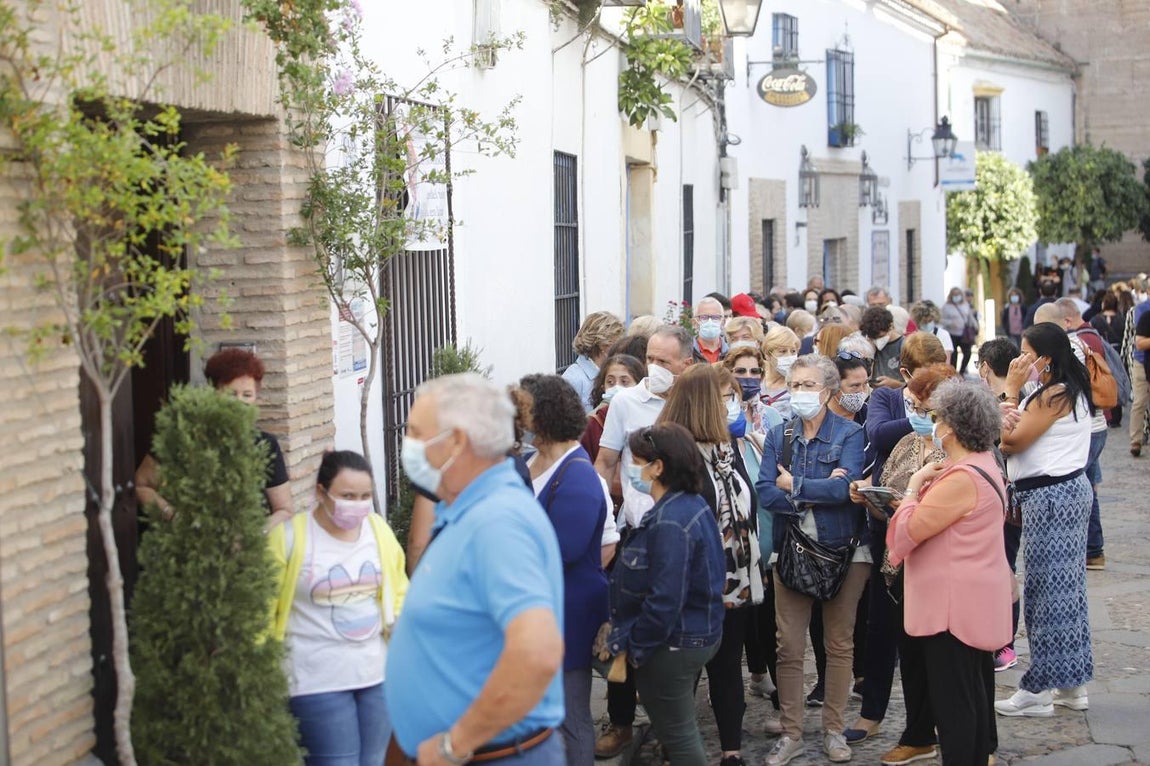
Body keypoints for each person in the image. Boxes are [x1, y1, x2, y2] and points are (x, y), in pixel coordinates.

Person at [387, 374, 565, 765]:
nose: (408, 444)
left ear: (456, 441)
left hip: (491, 755)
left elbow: (537, 652)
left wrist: (454, 745)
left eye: (415, 432)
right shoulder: (468, 510)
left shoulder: (497, 522)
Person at [886, 380, 1012, 766]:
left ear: (952, 428)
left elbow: (905, 533)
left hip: (951, 609)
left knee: (955, 706)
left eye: (937, 418)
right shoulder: (983, 463)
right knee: (971, 695)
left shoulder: (961, 477)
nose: (933, 424)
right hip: (971, 600)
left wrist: (912, 488)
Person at [756, 355, 870, 766]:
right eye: (795, 385)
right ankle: (791, 733)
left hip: (844, 551)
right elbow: (765, 490)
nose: (800, 392)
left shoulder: (850, 433)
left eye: (808, 385)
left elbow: (847, 490)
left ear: (828, 390)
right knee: (788, 645)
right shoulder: (779, 434)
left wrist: (796, 484)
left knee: (839, 642)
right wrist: (818, 488)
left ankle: (833, 729)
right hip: (792, 548)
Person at [267, 450, 408, 766]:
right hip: (314, 679)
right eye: (347, 496)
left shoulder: (378, 531)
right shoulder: (288, 538)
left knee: (373, 761)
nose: (357, 504)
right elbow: (262, 609)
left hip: (376, 675)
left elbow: (398, 588)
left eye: (364, 496)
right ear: (321, 492)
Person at [592, 326, 694, 757]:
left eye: (664, 361)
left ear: (686, 364)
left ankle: (675, 730)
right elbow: (605, 461)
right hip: (634, 532)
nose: (654, 367)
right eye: (650, 358)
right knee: (622, 627)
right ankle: (620, 722)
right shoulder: (626, 403)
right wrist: (601, 520)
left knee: (677, 632)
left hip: (680, 533)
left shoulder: (692, 401)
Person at [846, 364, 956, 755]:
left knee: (931, 649)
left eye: (929, 410)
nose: (922, 417)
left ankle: (936, 728)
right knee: (883, 633)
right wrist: (869, 496)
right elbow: (886, 485)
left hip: (934, 562)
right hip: (893, 556)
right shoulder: (907, 442)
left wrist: (907, 503)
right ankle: (881, 717)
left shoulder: (956, 451)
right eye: (917, 408)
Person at [599, 423, 725, 766]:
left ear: (657, 467)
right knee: (679, 732)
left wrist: (636, 648)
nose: (630, 468)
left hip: (673, 643)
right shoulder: (688, 504)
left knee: (679, 738)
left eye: (636, 461)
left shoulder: (671, 520)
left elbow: (665, 599)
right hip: (689, 635)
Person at [658, 365, 763, 766]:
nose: (733, 406)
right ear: (704, 403)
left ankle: (731, 750)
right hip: (692, 582)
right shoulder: (674, 455)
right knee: (685, 670)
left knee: (727, 666)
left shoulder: (728, 447)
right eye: (726, 398)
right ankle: (676, 747)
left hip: (734, 578)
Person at [994, 323, 1094, 718]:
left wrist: (1011, 390)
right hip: (1057, 494)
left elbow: (1011, 440)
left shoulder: (1055, 393)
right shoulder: (1061, 390)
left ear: (1046, 359)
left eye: (1026, 353)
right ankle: (1071, 684)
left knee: (1046, 593)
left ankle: (1038, 689)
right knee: (1064, 591)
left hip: (1053, 497)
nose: (1020, 360)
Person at [519, 375, 611, 766]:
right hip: (537, 611)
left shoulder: (578, 475)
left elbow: (564, 550)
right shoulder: (530, 461)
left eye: (523, 411)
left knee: (570, 715)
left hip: (566, 613)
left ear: (544, 415)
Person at [135, 347, 292, 524]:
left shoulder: (265, 444)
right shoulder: (184, 436)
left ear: (256, 398)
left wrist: (257, 533)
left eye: (247, 395)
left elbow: (284, 510)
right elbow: (141, 486)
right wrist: (173, 516)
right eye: (231, 394)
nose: (239, 402)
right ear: (214, 393)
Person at [977, 337, 1027, 673]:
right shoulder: (1017, 398)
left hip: (1004, 499)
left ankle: (1004, 643)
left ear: (984, 367)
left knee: (1004, 566)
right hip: (999, 497)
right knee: (1000, 565)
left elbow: (1006, 444)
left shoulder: (1010, 400)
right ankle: (995, 639)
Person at [1056, 298, 1111, 569]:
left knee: (1078, 488)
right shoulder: (1089, 339)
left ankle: (1086, 549)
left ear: (1064, 321)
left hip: (1087, 425)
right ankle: (1093, 551)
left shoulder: (1072, 346)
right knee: (1088, 486)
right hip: (1096, 424)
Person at [562, 311, 625, 413]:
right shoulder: (573, 380)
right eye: (617, 343)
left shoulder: (607, 373)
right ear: (603, 345)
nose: (621, 349)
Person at [724, 345, 783, 436]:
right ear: (728, 375)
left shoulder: (772, 415)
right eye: (740, 371)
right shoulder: (720, 415)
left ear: (761, 376)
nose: (748, 376)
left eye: (755, 371)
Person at [762, 325, 801, 419]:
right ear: (767, 355)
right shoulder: (756, 378)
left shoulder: (799, 386)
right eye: (782, 351)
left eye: (793, 351)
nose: (789, 356)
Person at [861, 307, 905, 389]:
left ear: (891, 326)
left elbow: (915, 384)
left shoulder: (905, 346)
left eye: (880, 336)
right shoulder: (871, 345)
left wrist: (895, 384)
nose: (877, 340)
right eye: (873, 338)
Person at [941, 287, 978, 376]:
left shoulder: (965, 305)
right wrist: (951, 323)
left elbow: (969, 317)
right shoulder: (946, 307)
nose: (956, 296)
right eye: (954, 294)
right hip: (951, 334)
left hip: (964, 334)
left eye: (958, 294)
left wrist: (975, 326)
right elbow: (941, 320)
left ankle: (961, 371)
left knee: (967, 353)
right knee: (953, 355)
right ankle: (953, 373)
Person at [693, 296, 730, 363]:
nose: (710, 321)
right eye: (704, 317)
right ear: (694, 323)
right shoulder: (686, 352)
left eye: (715, 317)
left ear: (723, 323)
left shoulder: (731, 352)